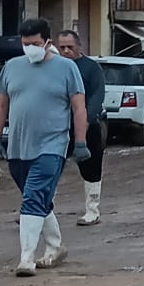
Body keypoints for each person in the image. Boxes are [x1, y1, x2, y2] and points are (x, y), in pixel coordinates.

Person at [0, 18, 87, 276]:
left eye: (34, 43)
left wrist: (80, 142)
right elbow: (0, 105)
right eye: (25, 44)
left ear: (47, 43)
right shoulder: (11, 67)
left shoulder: (67, 69)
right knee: (38, 198)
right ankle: (55, 246)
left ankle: (26, 258)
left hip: (52, 145)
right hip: (18, 148)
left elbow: (78, 107)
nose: (29, 48)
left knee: (32, 198)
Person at [54, 30, 106, 226]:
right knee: (50, 166)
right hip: (58, 126)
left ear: (79, 46)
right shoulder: (54, 67)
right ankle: (39, 209)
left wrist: (86, 119)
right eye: (62, 47)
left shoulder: (91, 68)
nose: (66, 51)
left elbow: (97, 96)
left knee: (91, 167)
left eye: (70, 47)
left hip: (87, 125)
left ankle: (92, 210)